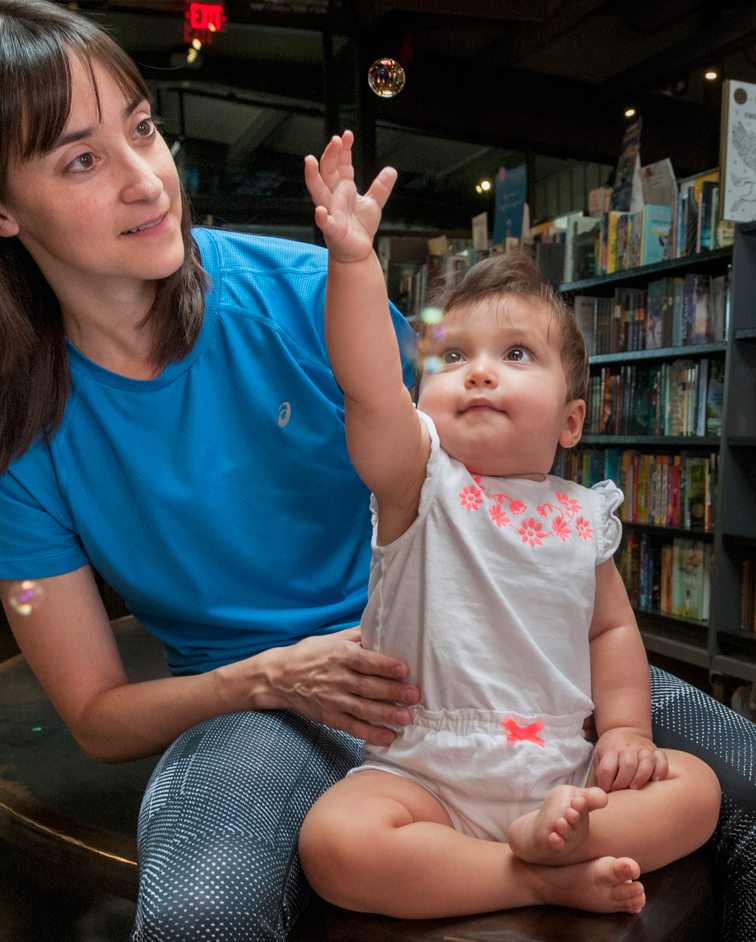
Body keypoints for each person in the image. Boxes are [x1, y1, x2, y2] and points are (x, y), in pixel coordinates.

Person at [0, 2, 756, 940]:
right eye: (82, 159)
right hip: (260, 707)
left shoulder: (311, 291)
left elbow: (474, 482)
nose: (148, 182)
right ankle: (525, 869)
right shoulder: (10, 435)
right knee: (201, 912)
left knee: (742, 775)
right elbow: (98, 716)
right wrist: (266, 679)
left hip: (474, 649)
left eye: (142, 129)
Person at [298, 130, 721, 918]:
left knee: (695, 792)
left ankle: (540, 847)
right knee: (336, 843)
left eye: (517, 353)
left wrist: (626, 731)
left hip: (561, 771)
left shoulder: (583, 514)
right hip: (425, 773)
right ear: (422, 395)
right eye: (452, 356)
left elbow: (609, 634)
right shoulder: (417, 482)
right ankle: (527, 874)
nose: (481, 370)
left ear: (570, 422)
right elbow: (367, 387)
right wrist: (354, 261)